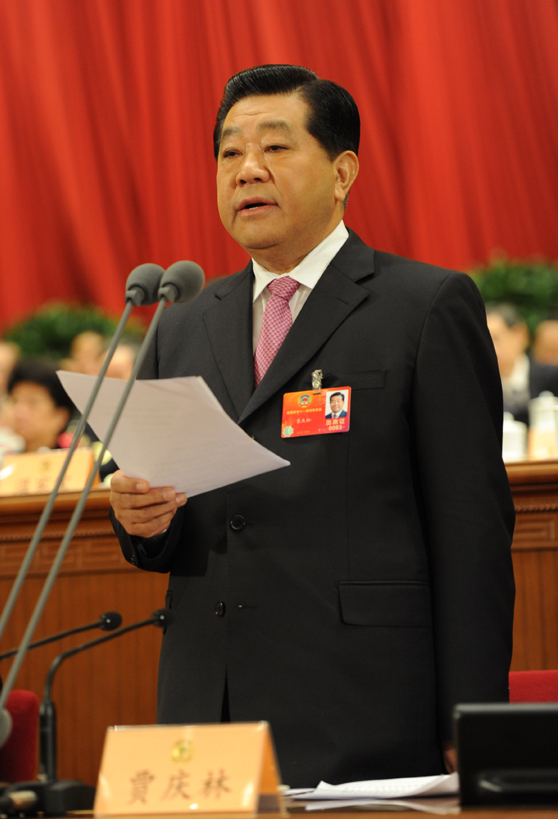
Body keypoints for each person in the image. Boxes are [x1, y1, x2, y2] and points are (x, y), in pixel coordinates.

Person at [110, 65, 515, 787]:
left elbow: (472, 529)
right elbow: (172, 528)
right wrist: (142, 520)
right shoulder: (181, 326)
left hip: (363, 710)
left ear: (342, 171)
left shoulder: (422, 307)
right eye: (229, 153)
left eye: (275, 147)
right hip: (210, 710)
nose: (247, 170)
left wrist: (471, 714)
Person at [486, 303, 558, 425]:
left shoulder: (552, 378)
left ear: (519, 335)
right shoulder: (478, 387)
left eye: (496, 338)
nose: (489, 348)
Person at [4, 359, 74, 452]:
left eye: (32, 403)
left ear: (61, 416)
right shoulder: (2, 459)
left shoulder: (75, 460)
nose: (19, 412)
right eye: (15, 401)